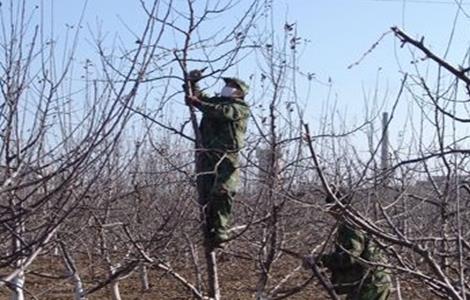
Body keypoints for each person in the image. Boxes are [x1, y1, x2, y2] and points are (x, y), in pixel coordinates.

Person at [185, 70, 250, 248]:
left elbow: (223, 112)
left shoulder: (240, 108)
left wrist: (199, 103)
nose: (227, 88)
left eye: (231, 86)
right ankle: (209, 234)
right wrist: (192, 82)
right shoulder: (216, 102)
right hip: (207, 155)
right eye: (227, 85)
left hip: (226, 156)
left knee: (222, 191)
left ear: (239, 92)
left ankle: (220, 231)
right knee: (205, 193)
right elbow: (197, 97)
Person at [317, 188, 392, 300]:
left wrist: (321, 260)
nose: (330, 212)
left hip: (370, 282)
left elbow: (350, 256)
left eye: (330, 208)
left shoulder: (350, 225)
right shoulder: (360, 220)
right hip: (379, 279)